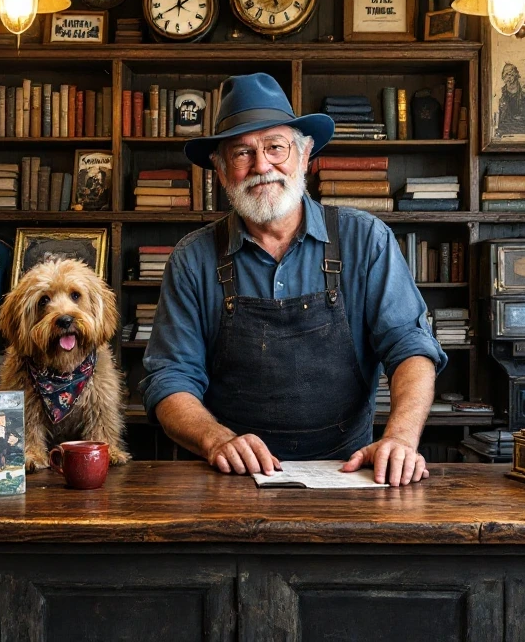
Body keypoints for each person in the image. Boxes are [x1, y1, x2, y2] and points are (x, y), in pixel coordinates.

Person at [140, 73, 446, 486]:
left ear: (304, 156)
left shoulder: (365, 240)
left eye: (275, 147)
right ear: (221, 170)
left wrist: (400, 440)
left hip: (351, 473)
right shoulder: (192, 259)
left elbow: (411, 348)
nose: (262, 166)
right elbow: (169, 377)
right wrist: (216, 440)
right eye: (242, 153)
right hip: (231, 478)